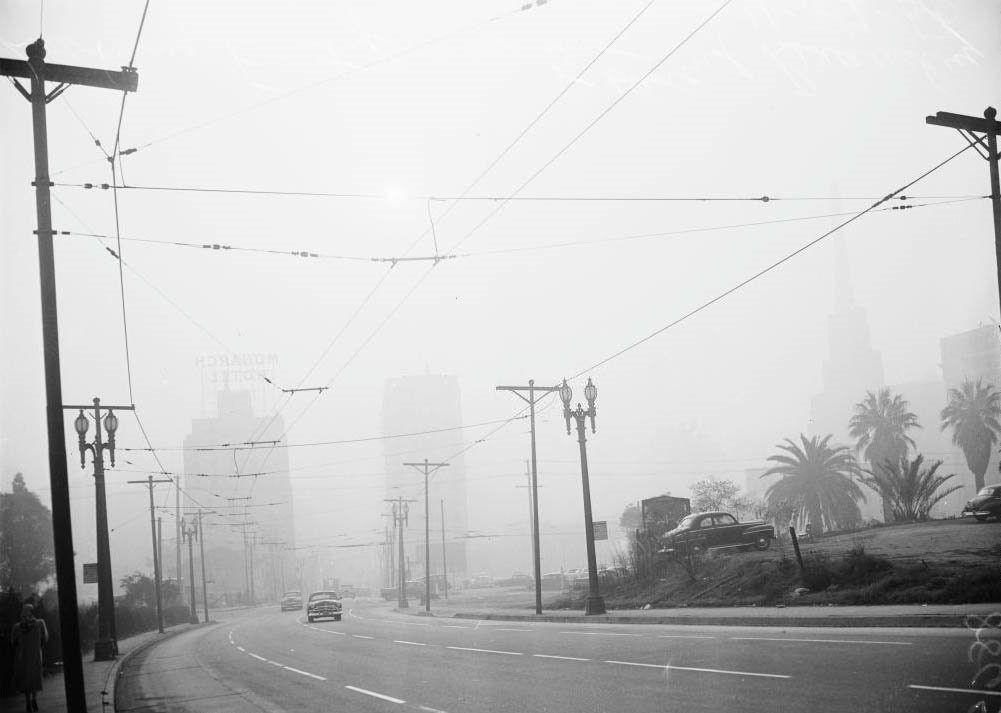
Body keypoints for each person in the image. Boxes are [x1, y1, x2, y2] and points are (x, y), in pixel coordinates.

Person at [11, 603, 48, 712]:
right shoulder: (40, 623)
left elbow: (13, 642)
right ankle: (34, 699)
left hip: (23, 656)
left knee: (26, 679)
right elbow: (45, 639)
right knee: (35, 677)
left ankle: (28, 701)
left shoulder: (17, 627)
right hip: (36, 654)